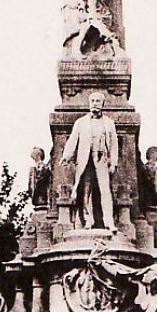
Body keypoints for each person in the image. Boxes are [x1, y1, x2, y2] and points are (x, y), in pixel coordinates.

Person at [61, 91, 119, 230]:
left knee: (105, 190)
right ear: (89, 103)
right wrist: (67, 155)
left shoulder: (109, 123)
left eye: (98, 101)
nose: (95, 104)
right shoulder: (80, 123)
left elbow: (114, 144)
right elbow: (73, 140)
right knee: (86, 191)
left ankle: (108, 222)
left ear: (103, 104)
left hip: (101, 159)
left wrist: (113, 162)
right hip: (85, 160)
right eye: (92, 101)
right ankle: (88, 220)